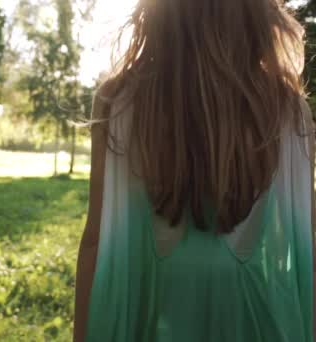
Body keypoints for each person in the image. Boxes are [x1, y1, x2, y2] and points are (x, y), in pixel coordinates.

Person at [73, 0, 316, 341]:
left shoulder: (118, 101)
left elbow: (96, 241)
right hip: (259, 322)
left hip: (155, 316)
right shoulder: (287, 110)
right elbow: (306, 252)